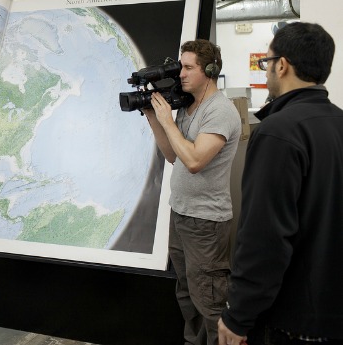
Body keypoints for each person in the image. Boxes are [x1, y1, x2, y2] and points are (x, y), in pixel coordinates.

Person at [218, 22, 343, 345]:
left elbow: (264, 237)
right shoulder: (338, 122)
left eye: (267, 62)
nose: (267, 70)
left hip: (294, 319)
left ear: (282, 65)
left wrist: (238, 315)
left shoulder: (278, 131)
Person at [144, 39, 241, 345]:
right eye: (180, 67)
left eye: (188, 68)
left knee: (209, 298)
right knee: (187, 293)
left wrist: (167, 121)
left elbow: (196, 161)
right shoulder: (188, 107)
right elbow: (174, 155)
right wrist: (153, 117)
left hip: (206, 222)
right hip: (182, 213)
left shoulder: (220, 111)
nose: (181, 74)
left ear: (209, 71)